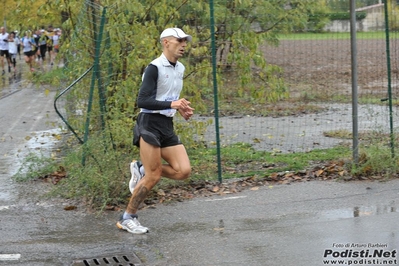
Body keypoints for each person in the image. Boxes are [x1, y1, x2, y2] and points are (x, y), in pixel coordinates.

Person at [116, 28, 194, 234]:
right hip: (149, 123)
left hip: (166, 125)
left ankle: (140, 167)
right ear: (166, 42)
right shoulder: (154, 67)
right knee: (154, 175)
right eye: (179, 40)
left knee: (183, 171)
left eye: (185, 41)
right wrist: (172, 104)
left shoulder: (180, 68)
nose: (184, 44)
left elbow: (169, 98)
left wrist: (181, 109)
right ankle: (127, 217)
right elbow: (142, 100)